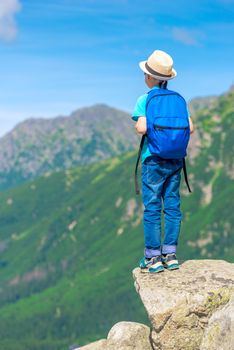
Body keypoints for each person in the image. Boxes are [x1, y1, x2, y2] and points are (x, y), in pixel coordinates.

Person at [132, 50, 194, 273]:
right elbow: (191, 127)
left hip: (154, 161)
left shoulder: (145, 99)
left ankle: (153, 258)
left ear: (150, 77)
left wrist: (147, 125)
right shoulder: (178, 100)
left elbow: (141, 127)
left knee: (152, 208)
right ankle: (171, 255)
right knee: (172, 207)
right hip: (175, 161)